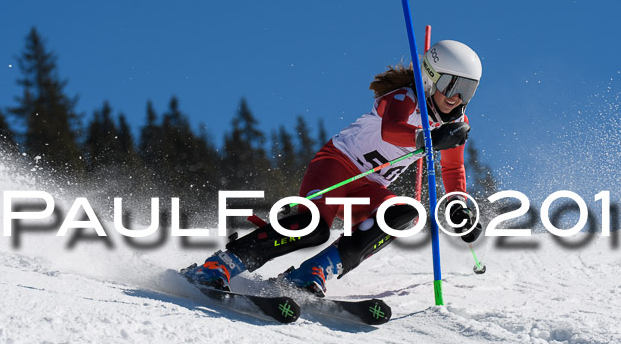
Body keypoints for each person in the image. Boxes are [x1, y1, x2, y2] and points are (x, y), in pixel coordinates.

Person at [182, 40, 484, 296]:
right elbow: (390, 130)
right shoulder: (404, 97)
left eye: (467, 90)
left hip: (369, 185)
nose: (457, 97)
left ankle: (313, 273)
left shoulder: (456, 126)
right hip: (337, 165)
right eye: (452, 85)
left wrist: (458, 205)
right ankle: (220, 264)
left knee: (406, 212)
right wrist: (425, 137)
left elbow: (453, 168)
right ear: (431, 77)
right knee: (312, 227)